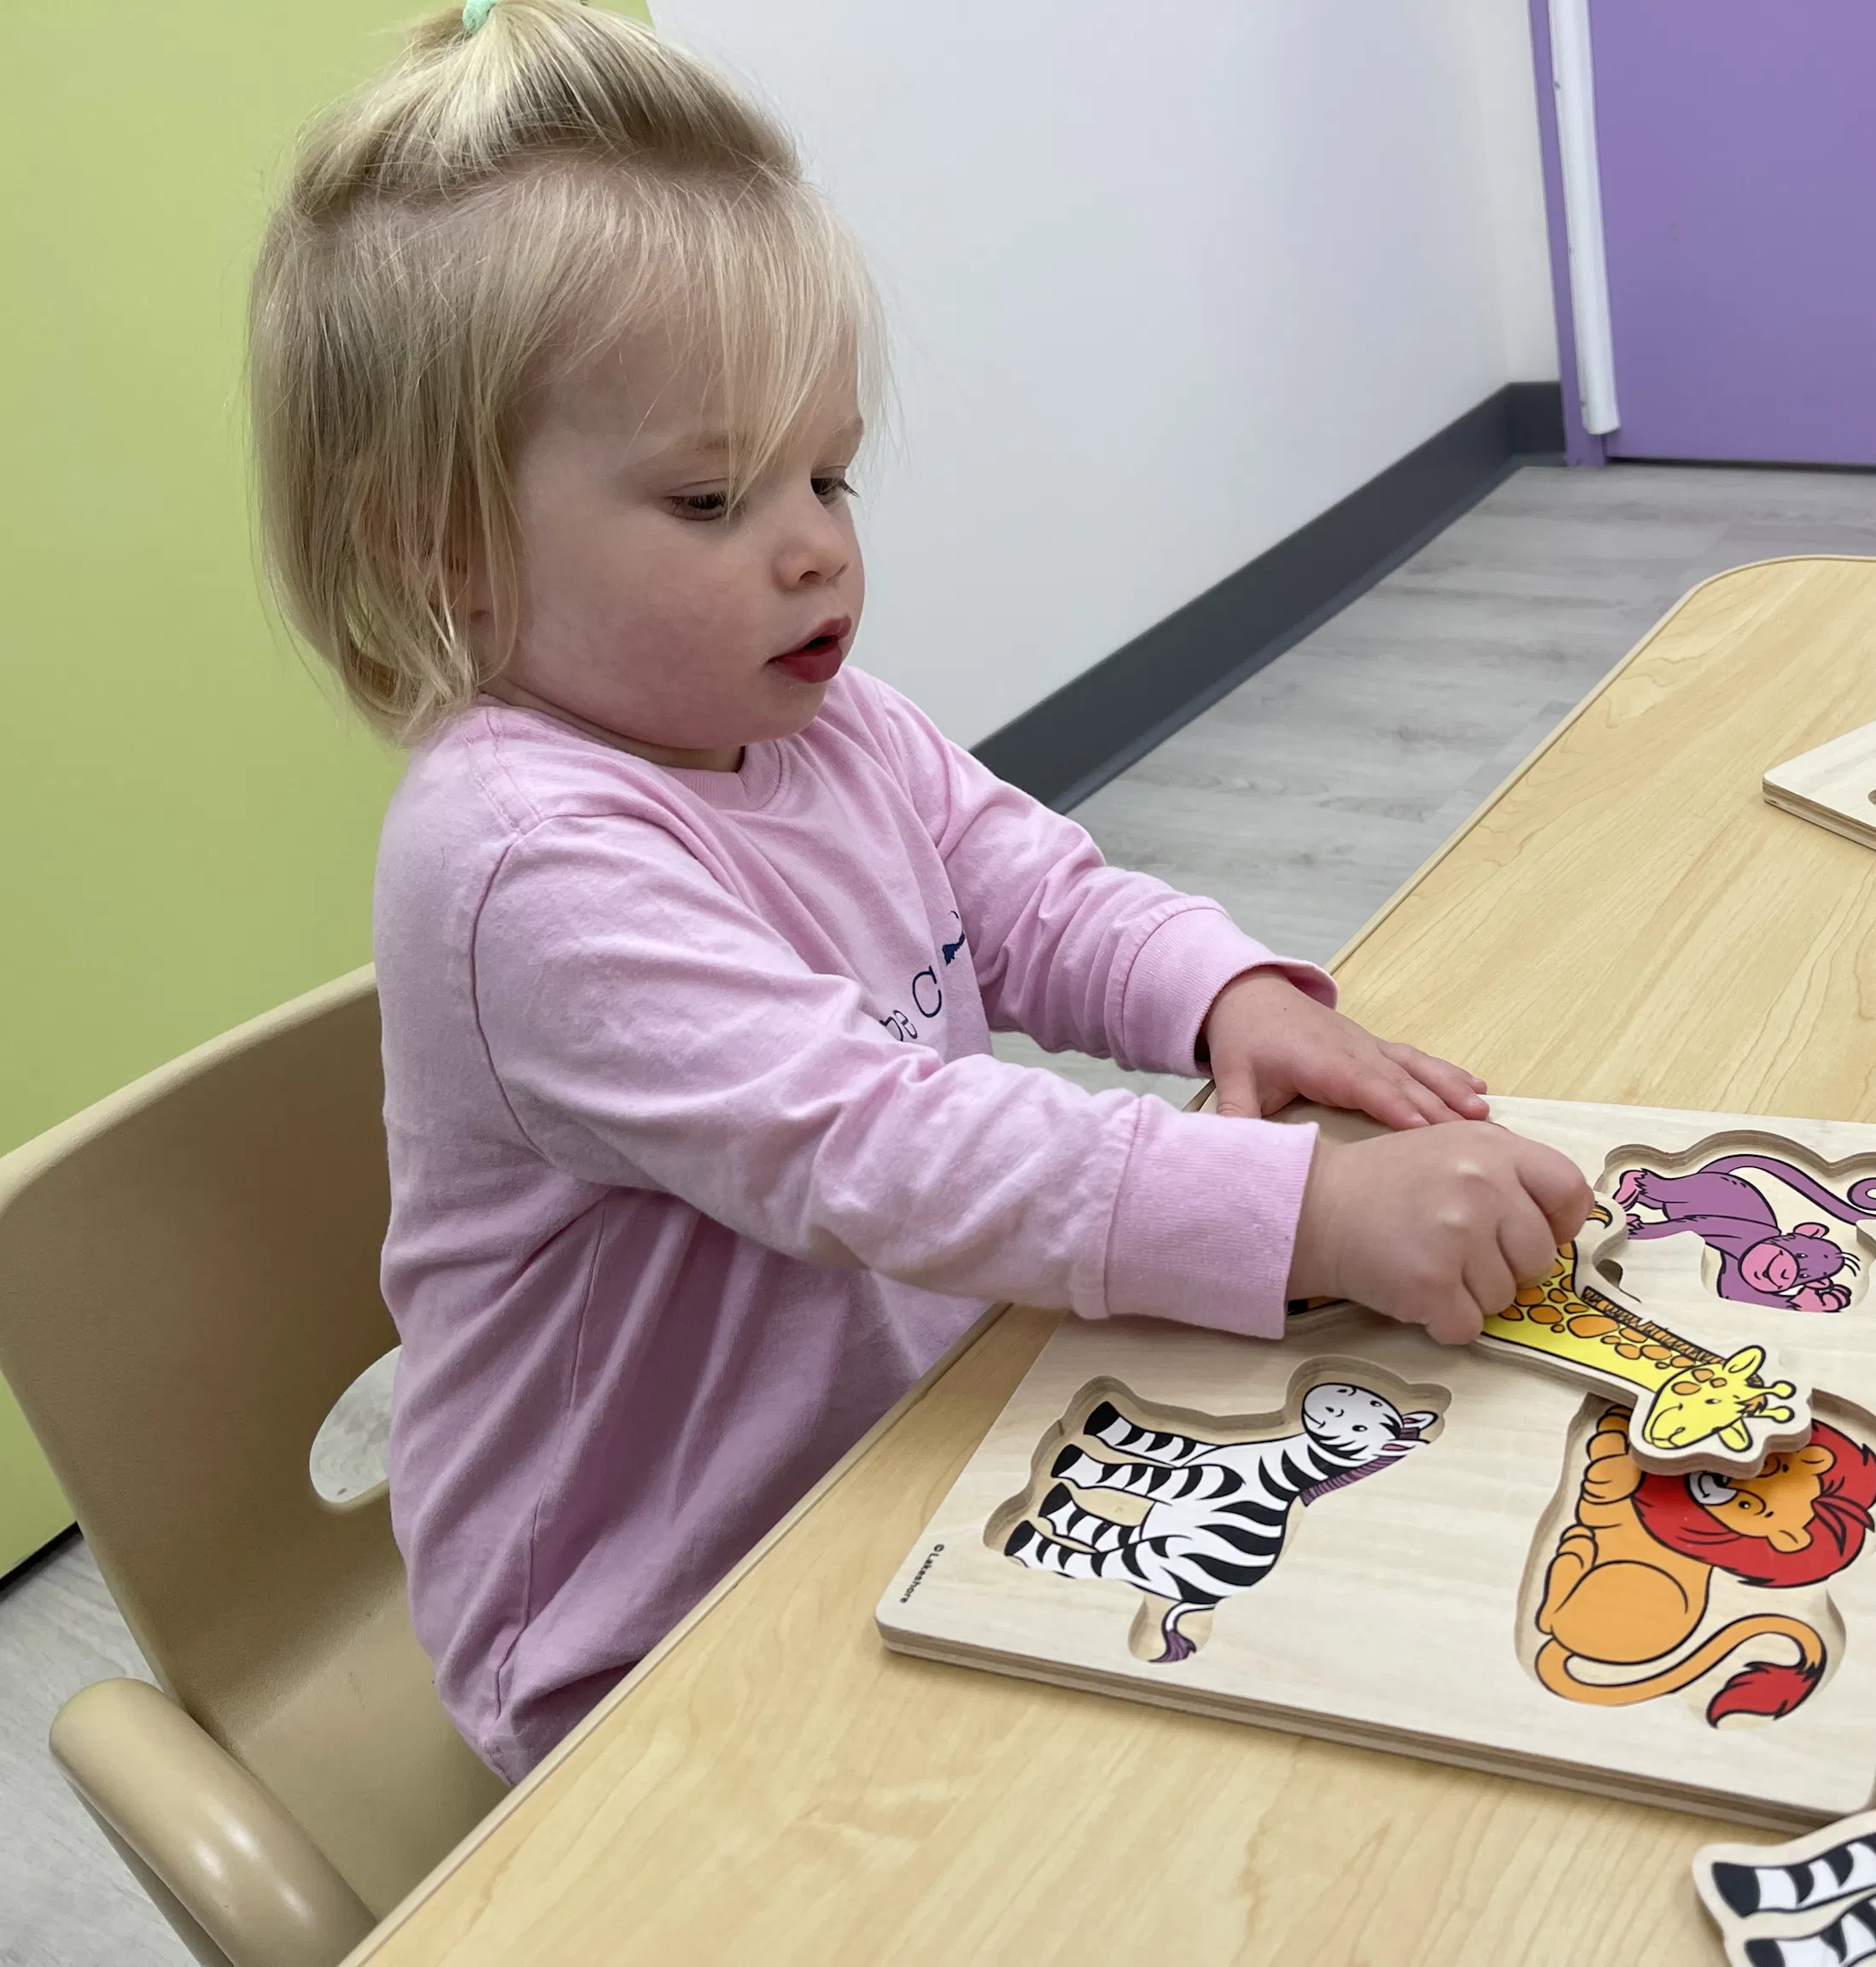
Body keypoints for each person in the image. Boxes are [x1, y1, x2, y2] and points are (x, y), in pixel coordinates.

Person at [249, 0, 1588, 1779]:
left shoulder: (824, 723)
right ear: (442, 545)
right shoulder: (517, 860)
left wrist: (1220, 992)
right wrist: (1312, 1216)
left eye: (829, 471)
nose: (818, 543)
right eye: (713, 496)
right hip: (651, 1626)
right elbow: (879, 1141)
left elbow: (1026, 891)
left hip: (914, 1455)